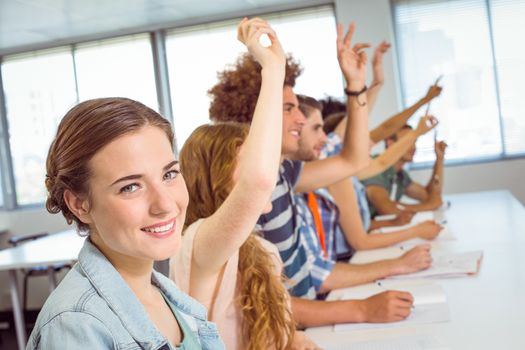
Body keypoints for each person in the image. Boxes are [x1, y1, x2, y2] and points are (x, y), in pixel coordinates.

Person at [208, 22, 416, 327]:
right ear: (259, 114)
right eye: (289, 108)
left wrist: (356, 84)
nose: (301, 119)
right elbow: (259, 302)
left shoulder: (285, 173)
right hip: (282, 330)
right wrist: (361, 310)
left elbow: (353, 160)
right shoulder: (244, 189)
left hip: (303, 322)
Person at [27, 97, 223, 349]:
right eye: (130, 187)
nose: (164, 204)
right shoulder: (76, 324)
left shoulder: (165, 294)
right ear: (79, 204)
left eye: (169, 174)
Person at [170, 18, 318, 350]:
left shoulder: (261, 250)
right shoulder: (197, 243)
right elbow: (258, 182)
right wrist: (273, 68)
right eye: (248, 157)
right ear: (216, 174)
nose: (264, 166)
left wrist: (294, 340)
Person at [296, 94, 442, 262]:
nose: (371, 142)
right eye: (362, 137)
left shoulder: (345, 175)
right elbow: (382, 160)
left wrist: (371, 86)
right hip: (343, 261)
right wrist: (415, 231)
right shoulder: (337, 177)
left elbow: (359, 224)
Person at [363, 125, 448, 217]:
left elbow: (431, 196)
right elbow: (386, 208)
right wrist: (428, 206)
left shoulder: (400, 175)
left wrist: (439, 158)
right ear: (390, 143)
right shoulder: (373, 168)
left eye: (414, 141)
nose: (414, 147)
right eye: (408, 141)